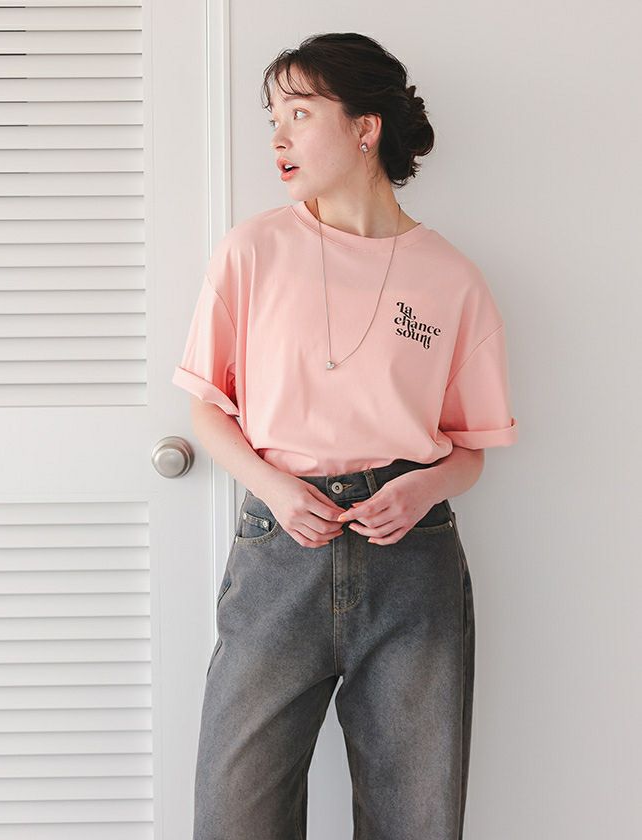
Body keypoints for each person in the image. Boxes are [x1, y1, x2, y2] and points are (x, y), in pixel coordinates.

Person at [172, 32, 518, 840]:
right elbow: (205, 409)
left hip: (411, 562)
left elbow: (469, 447)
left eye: (300, 113)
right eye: (272, 118)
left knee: (414, 821)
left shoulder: (452, 279)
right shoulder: (253, 251)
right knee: (235, 816)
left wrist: (423, 487)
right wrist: (274, 488)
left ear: (366, 127)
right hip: (279, 550)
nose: (278, 137)